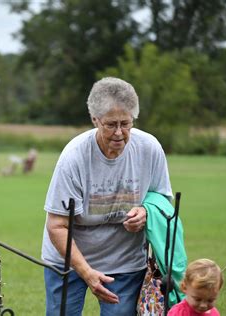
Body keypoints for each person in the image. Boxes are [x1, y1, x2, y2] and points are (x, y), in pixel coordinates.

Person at [41, 77, 173, 315]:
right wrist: (86, 272)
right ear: (95, 120)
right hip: (68, 258)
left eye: (126, 123)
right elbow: (57, 225)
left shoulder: (150, 149)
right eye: (111, 124)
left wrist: (145, 212)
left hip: (125, 260)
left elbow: (163, 201)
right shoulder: (74, 157)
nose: (120, 133)